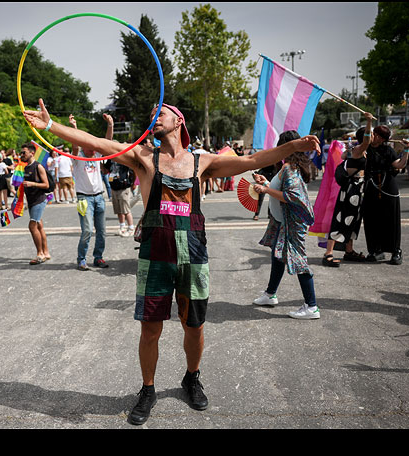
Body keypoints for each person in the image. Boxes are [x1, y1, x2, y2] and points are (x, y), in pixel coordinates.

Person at [23, 98, 320, 425]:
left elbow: (251, 159)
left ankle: (191, 377)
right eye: (152, 115)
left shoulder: (201, 161)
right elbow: (95, 142)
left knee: (194, 325)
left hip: (193, 254)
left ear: (179, 121)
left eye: (159, 113)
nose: (154, 118)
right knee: (150, 329)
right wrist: (50, 126)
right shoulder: (142, 156)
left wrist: (291, 146)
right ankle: (147, 389)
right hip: (155, 253)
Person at [252, 130, 319, 320]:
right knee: (277, 256)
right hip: (280, 221)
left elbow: (292, 196)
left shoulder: (290, 168)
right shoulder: (286, 167)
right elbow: (279, 188)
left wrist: (265, 189)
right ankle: (270, 294)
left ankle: (311, 306)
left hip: (291, 224)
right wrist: (265, 182)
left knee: (298, 260)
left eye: (280, 145)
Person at [323, 114, 374, 267]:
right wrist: (369, 121)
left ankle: (349, 251)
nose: (372, 137)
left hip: (358, 191)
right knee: (341, 219)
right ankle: (328, 254)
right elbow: (365, 140)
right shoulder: (359, 149)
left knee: (353, 220)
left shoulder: (357, 151)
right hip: (351, 191)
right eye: (371, 134)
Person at [361, 124, 409, 265]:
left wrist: (406, 149)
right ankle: (375, 250)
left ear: (381, 139)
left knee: (391, 219)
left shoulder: (388, 150)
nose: (372, 136)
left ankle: (396, 251)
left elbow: (399, 165)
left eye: (375, 134)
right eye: (372, 133)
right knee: (371, 219)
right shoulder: (365, 147)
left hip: (388, 186)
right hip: (371, 187)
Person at [68, 114, 109, 271]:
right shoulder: (78, 157)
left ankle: (98, 257)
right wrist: (74, 127)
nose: (93, 148)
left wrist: (110, 125)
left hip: (99, 197)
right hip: (84, 198)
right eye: (89, 145)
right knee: (87, 231)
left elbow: (107, 143)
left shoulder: (97, 156)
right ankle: (81, 259)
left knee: (102, 231)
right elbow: (75, 144)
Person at [19, 142, 51, 264]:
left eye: (24, 153)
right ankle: (46, 252)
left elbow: (46, 185)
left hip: (39, 200)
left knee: (32, 226)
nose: (21, 155)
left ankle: (40, 254)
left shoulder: (38, 167)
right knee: (39, 226)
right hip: (32, 201)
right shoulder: (26, 167)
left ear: (32, 153)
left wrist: (33, 184)